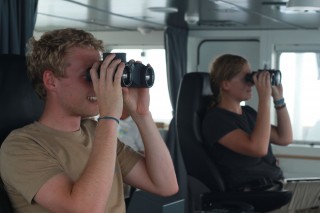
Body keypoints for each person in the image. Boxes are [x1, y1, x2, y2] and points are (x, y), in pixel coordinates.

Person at [0, 28, 178, 212]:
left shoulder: (94, 131)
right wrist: (109, 116)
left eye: (100, 73)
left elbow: (165, 185)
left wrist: (142, 114)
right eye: (90, 75)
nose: (99, 85)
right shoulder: (20, 146)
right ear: (51, 81)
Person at [201, 54, 320, 213]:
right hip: (256, 196)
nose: (252, 83)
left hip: (274, 187)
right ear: (226, 84)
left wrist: (278, 99)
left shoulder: (248, 113)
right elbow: (258, 148)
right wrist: (264, 98)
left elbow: (285, 138)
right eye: (247, 78)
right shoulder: (216, 119)